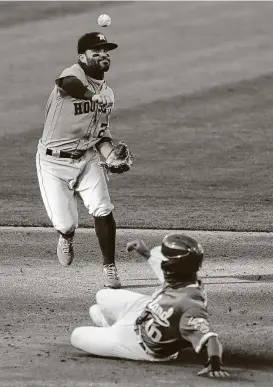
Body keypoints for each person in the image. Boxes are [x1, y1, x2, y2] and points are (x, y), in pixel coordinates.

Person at [36, 32, 133, 289]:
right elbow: (68, 84)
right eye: (96, 50)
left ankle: (109, 266)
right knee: (66, 223)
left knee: (103, 208)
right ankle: (66, 236)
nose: (103, 54)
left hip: (87, 157)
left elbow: (101, 134)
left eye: (106, 50)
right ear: (82, 57)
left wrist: (111, 156)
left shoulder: (108, 93)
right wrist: (91, 97)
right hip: (53, 162)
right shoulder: (73, 74)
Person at [71, 234, 230, 378]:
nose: (163, 263)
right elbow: (165, 269)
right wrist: (145, 253)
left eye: (165, 260)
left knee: (77, 335)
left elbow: (210, 338)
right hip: (143, 310)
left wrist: (214, 363)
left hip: (140, 344)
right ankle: (112, 326)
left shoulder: (191, 304)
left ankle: (111, 329)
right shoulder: (185, 275)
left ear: (173, 268)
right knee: (102, 296)